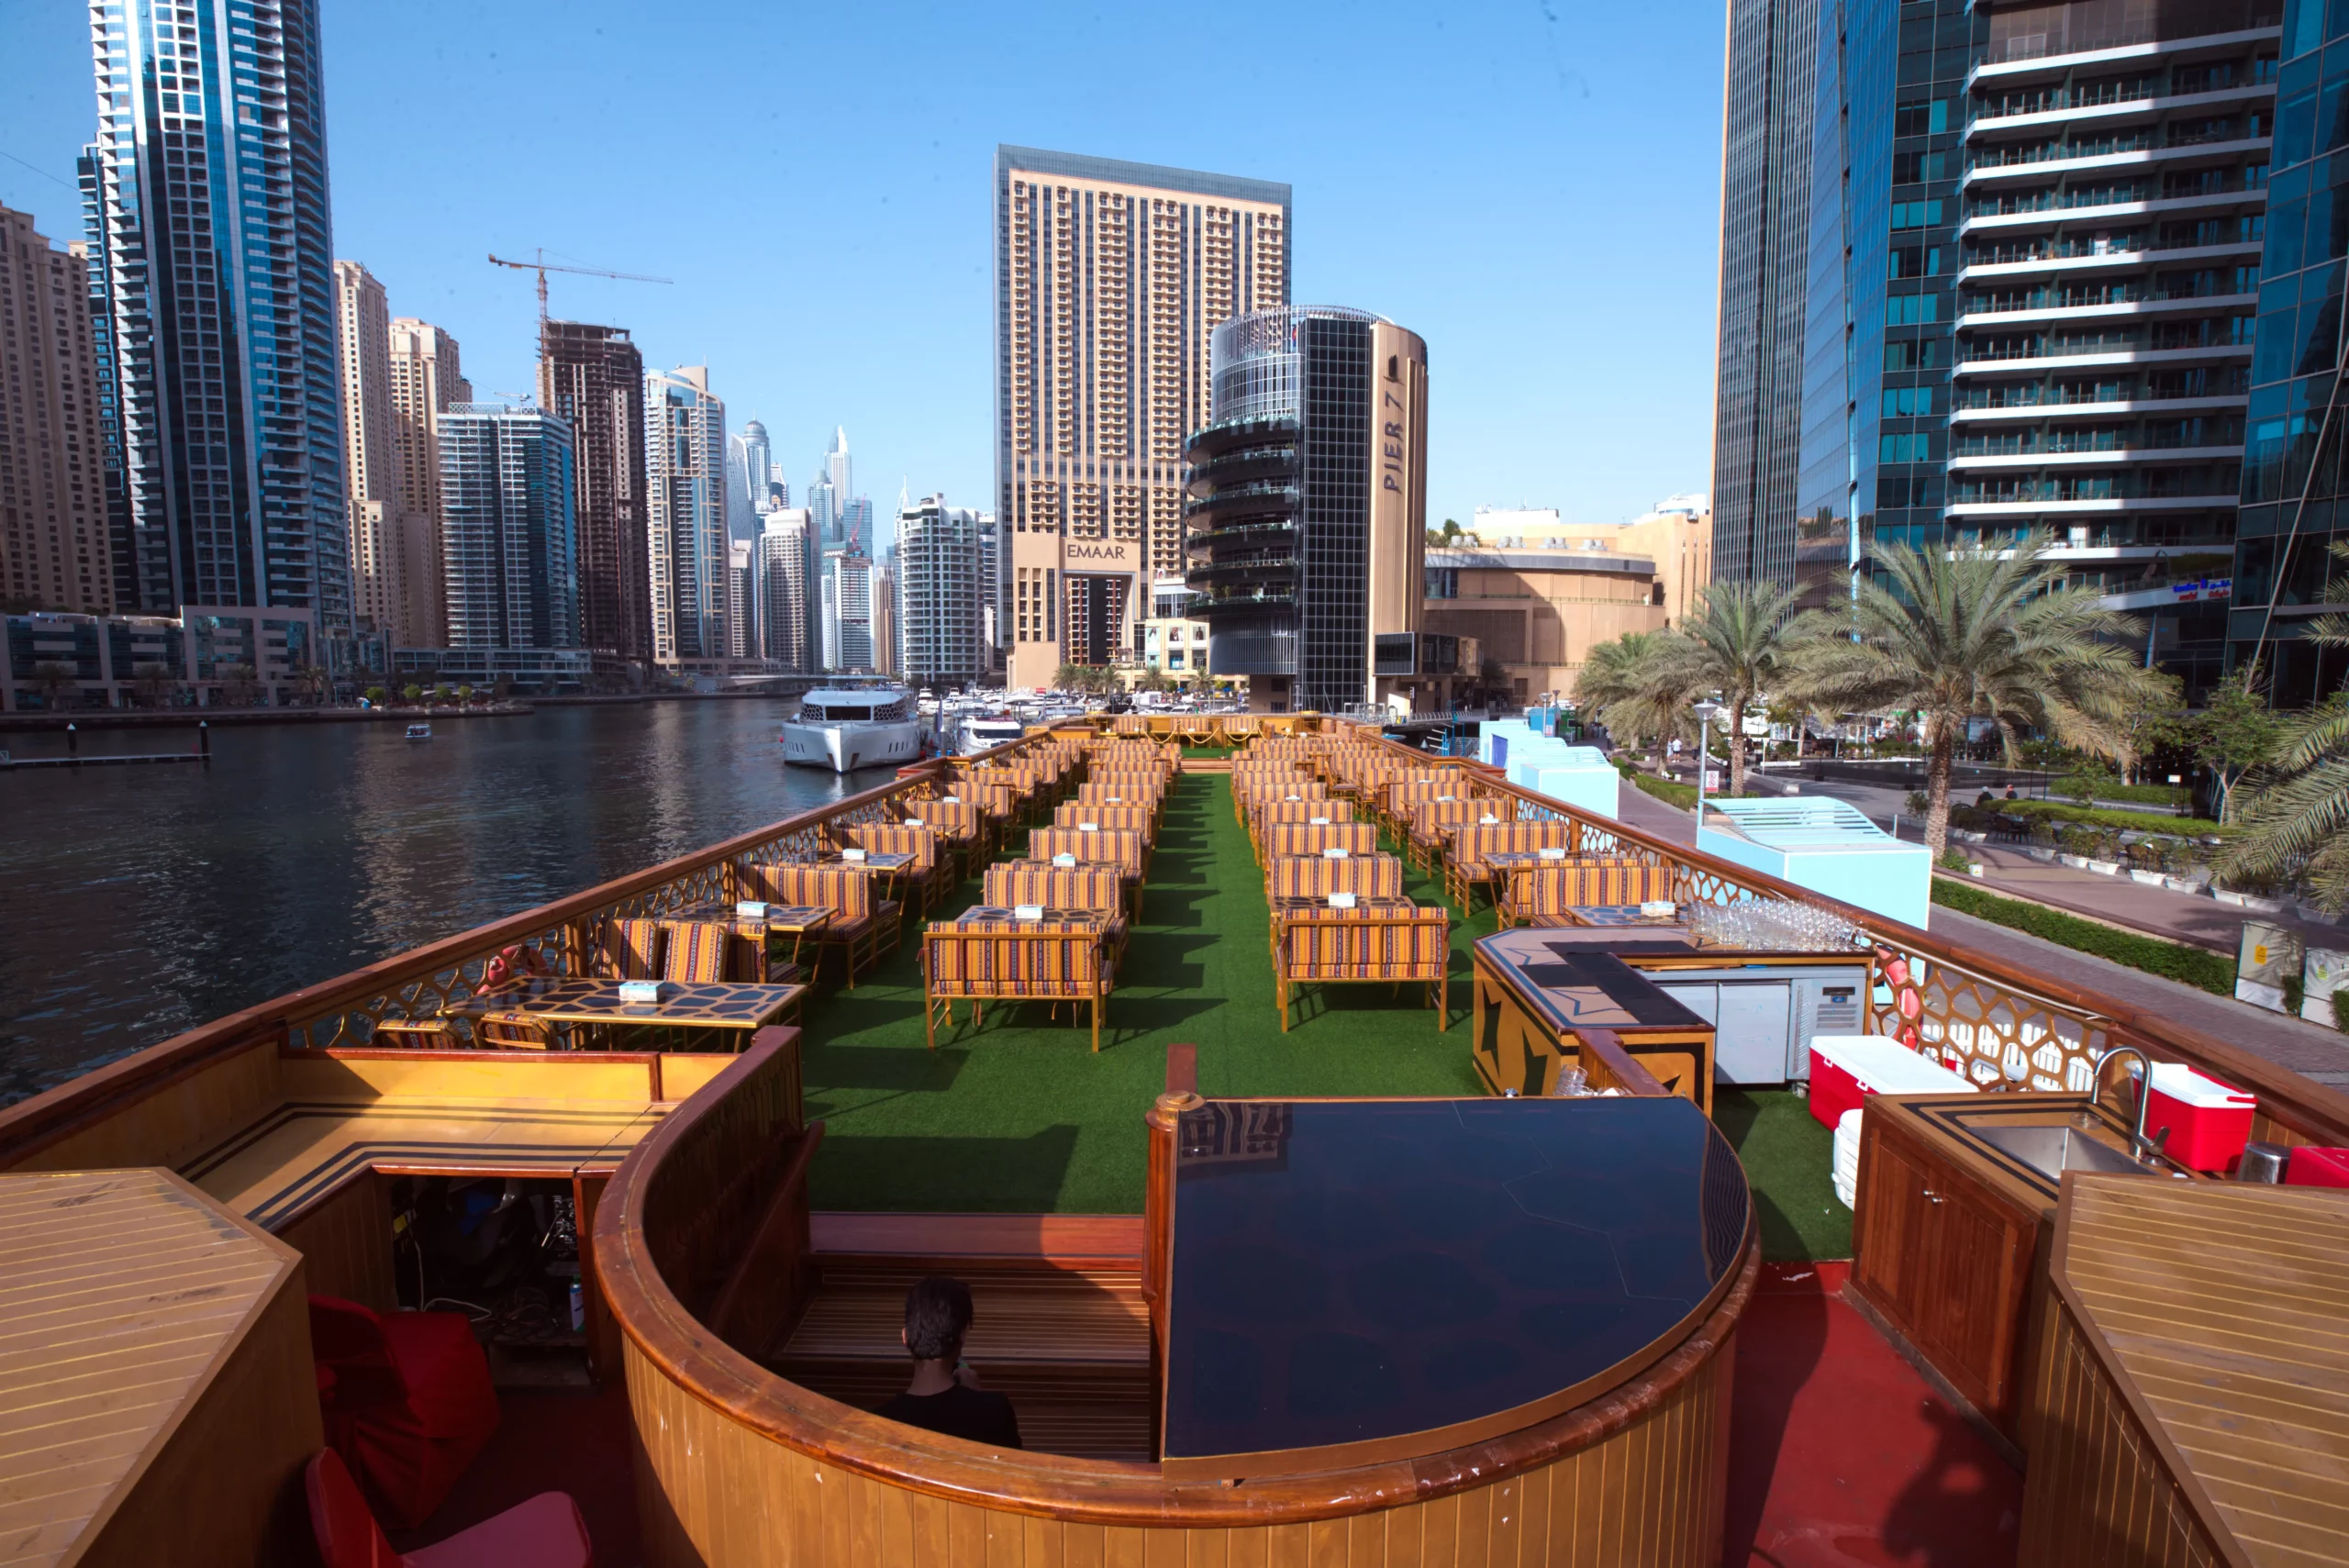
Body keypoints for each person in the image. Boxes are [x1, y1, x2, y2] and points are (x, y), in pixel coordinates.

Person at [877, 1275, 1022, 1449]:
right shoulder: (995, 1411)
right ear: (963, 1334)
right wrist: (977, 1401)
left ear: (905, 1337)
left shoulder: (878, 1423)